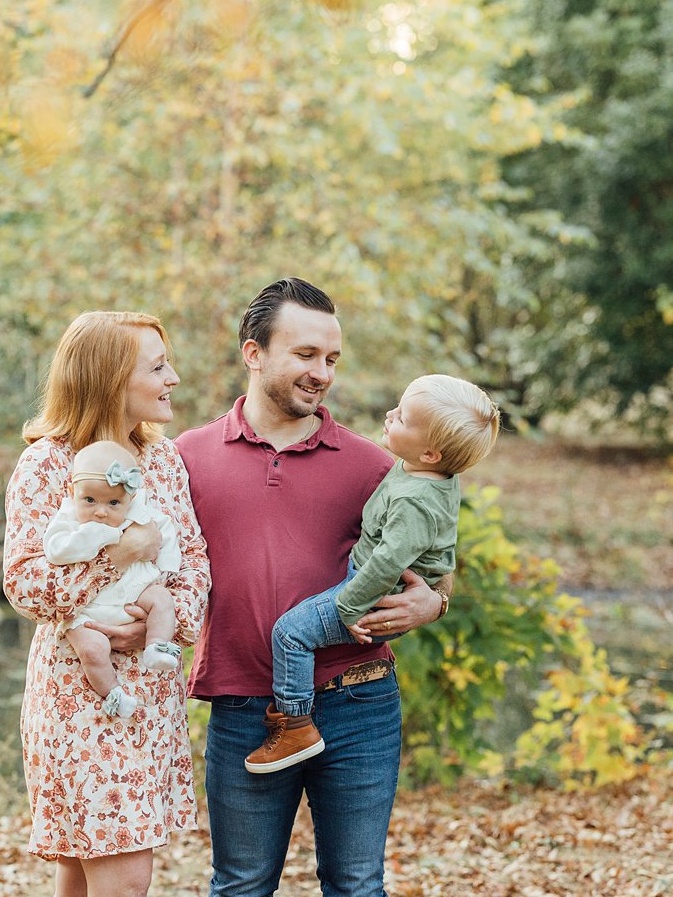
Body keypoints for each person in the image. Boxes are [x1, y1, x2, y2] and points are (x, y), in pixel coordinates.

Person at [176, 278, 454, 897]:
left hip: (359, 703)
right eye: (305, 355)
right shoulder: (186, 457)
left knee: (356, 885)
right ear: (254, 353)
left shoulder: (376, 466)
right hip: (245, 707)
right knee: (242, 885)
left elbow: (434, 560)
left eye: (331, 359)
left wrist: (432, 602)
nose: (322, 373)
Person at [3, 310, 210, 897]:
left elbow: (194, 562)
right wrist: (114, 557)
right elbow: (22, 580)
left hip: (151, 692)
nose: (173, 378)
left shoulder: (165, 460)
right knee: (120, 877)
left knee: (82, 873)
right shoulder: (46, 464)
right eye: (158, 366)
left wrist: (157, 623)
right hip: (80, 696)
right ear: (110, 378)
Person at [246, 374, 501, 773]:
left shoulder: (414, 500)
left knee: (291, 633)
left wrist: (350, 606)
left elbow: (386, 563)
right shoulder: (422, 473)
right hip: (375, 585)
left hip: (375, 595)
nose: (390, 415)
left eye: (402, 418)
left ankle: (296, 723)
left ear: (431, 453)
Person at [44, 439, 185, 719]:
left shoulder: (141, 513)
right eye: (89, 500)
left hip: (132, 591)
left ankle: (157, 645)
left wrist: (165, 572)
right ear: (72, 492)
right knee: (93, 650)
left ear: (130, 499)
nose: (100, 511)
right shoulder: (69, 519)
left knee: (161, 599)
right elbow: (56, 550)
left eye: (113, 503)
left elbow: (165, 534)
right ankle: (113, 694)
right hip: (88, 611)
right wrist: (104, 535)